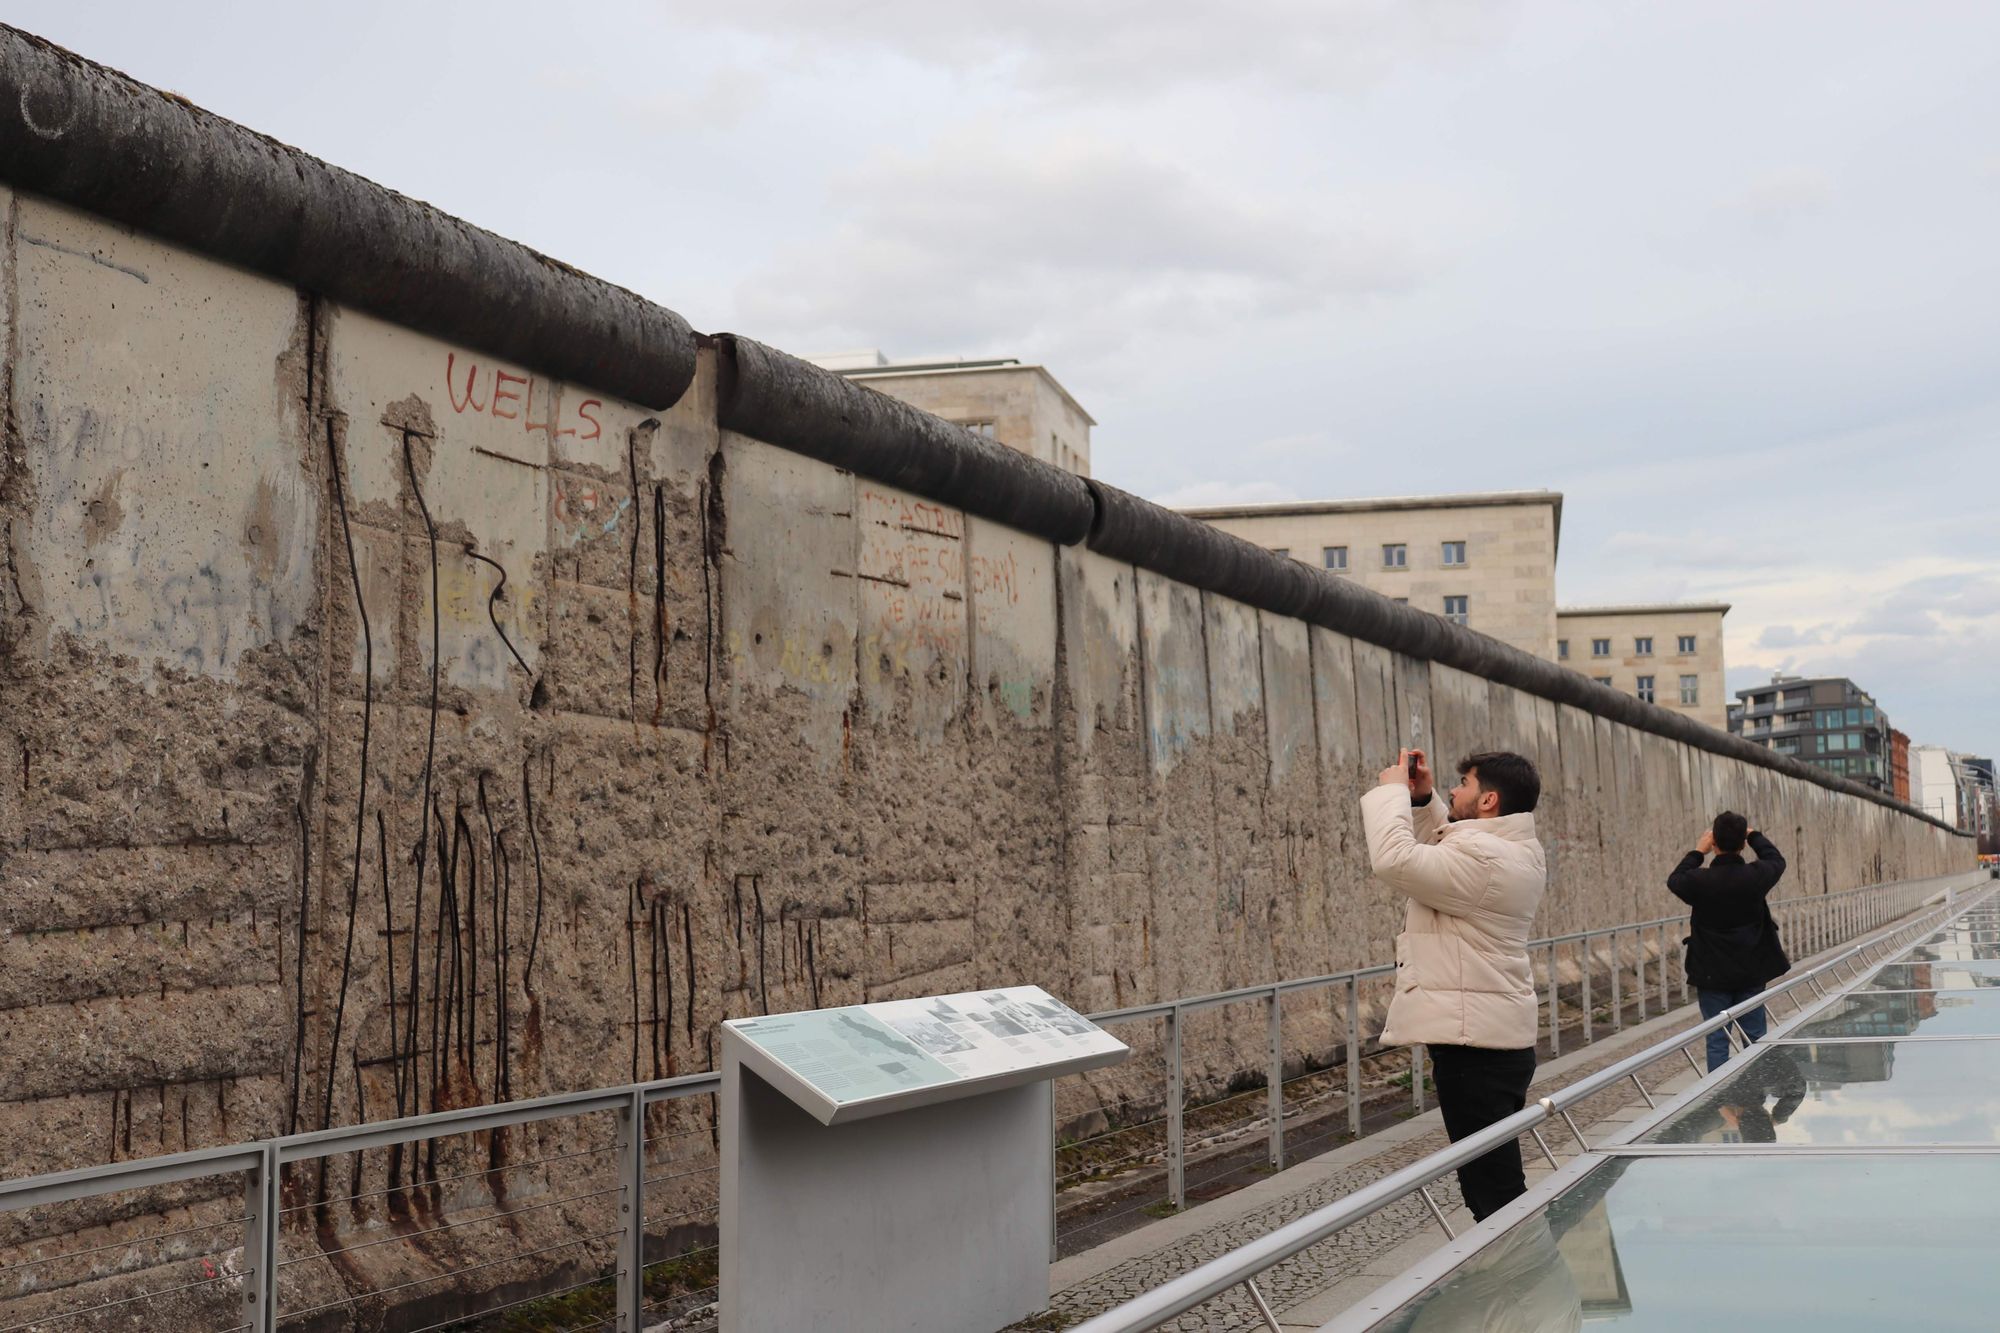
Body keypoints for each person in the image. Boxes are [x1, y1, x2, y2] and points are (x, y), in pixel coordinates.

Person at [1362, 748, 1547, 1223]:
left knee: (1493, 1189)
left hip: (1475, 1047)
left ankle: (1530, 1285)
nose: (1452, 789)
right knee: (1489, 1179)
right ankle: (1514, 1283)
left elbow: (1395, 861)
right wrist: (1422, 801)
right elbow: (1446, 855)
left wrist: (1390, 793)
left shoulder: (1485, 860)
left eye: (1461, 783)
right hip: (1490, 1037)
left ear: (1487, 800)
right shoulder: (1508, 849)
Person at [1668, 812, 1788, 1072]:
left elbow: (1675, 879)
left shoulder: (1699, 881)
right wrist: (1755, 835)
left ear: (1714, 844)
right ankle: (1754, 1095)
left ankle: (1719, 1101)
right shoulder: (1755, 876)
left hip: (1711, 973)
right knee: (1755, 1036)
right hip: (1751, 969)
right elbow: (1776, 860)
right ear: (1743, 843)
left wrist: (1698, 852)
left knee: (1717, 1039)